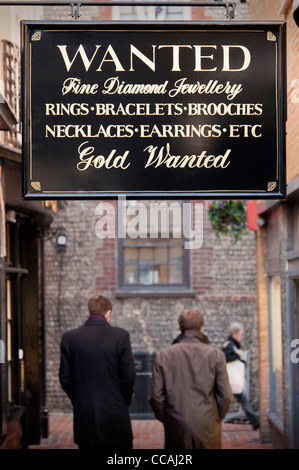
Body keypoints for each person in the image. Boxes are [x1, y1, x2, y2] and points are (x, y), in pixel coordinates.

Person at [59, 294, 136, 449]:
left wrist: (78, 398)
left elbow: (65, 378)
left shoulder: (70, 338)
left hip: (85, 412)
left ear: (89, 313)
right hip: (115, 410)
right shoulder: (120, 336)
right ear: (108, 313)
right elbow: (128, 376)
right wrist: (125, 400)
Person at [149, 309, 233, 449]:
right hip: (208, 423)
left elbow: (155, 397)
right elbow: (226, 396)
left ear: (179, 327)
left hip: (176, 423)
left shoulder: (164, 355)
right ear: (201, 328)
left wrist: (169, 418)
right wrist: (215, 417)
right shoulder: (216, 355)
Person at [222, 322, 260, 430]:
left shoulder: (232, 344)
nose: (242, 336)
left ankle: (255, 421)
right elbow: (225, 357)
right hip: (231, 380)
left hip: (231, 381)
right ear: (234, 334)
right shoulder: (229, 344)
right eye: (241, 334)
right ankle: (255, 421)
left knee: (242, 400)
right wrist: (238, 354)